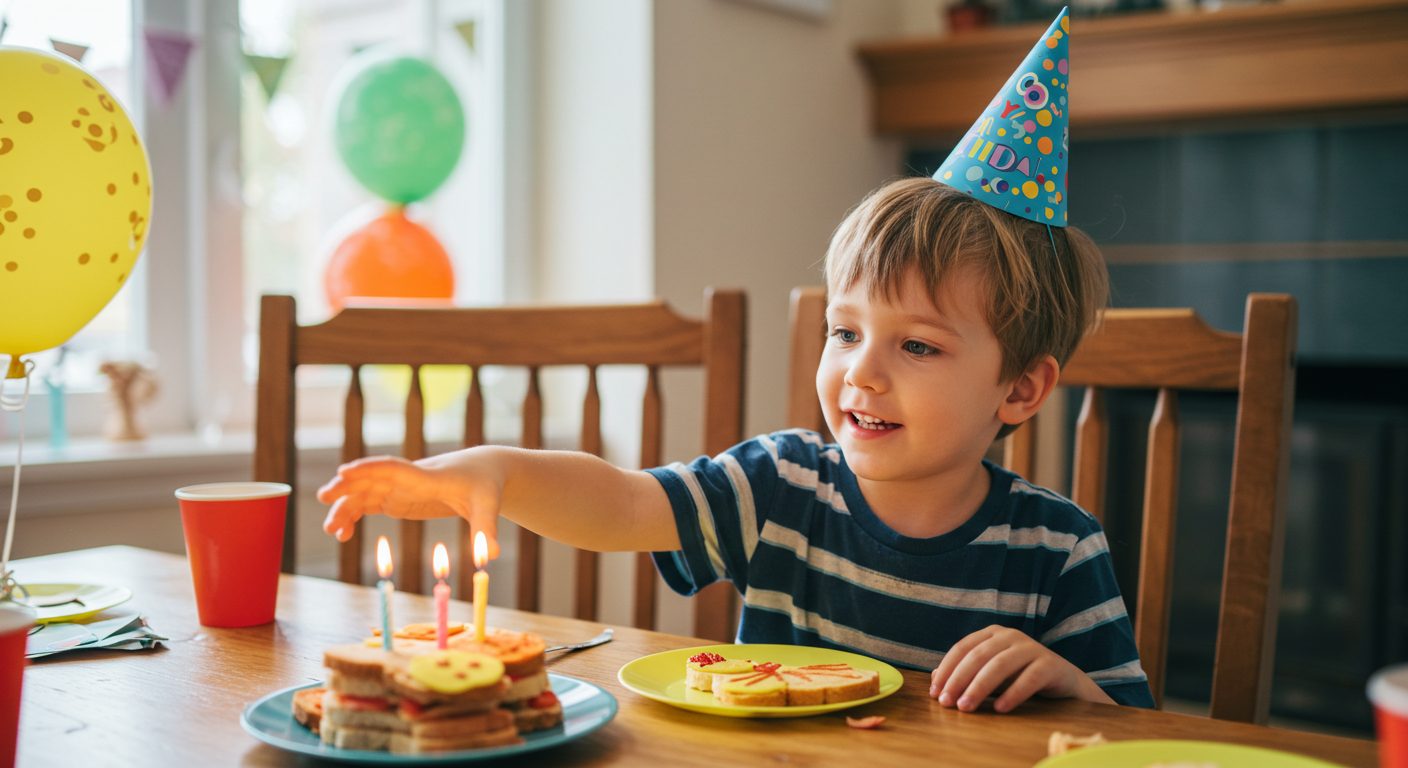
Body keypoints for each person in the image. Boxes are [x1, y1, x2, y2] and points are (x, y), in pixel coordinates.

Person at [318, 7, 1154, 712]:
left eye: (919, 345)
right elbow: (621, 503)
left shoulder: (1058, 551)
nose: (861, 371)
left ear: (1021, 387)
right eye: (845, 331)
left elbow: (1135, 738)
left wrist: (1069, 685)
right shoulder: (778, 488)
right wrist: (495, 471)